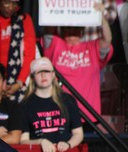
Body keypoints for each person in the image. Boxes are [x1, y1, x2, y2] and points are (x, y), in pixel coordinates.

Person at [42, 2, 113, 131]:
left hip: (88, 116)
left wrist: (102, 17)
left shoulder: (92, 47)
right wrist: (52, 9)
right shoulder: (56, 44)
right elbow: (48, 32)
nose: (71, 31)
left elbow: (107, 40)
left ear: (81, 31)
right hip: (60, 114)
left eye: (75, 28)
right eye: (67, 28)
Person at [20, 57, 84, 152]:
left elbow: (78, 133)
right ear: (32, 77)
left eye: (46, 71)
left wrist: (68, 144)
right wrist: (41, 141)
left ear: (53, 74)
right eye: (39, 72)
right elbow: (23, 141)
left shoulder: (68, 100)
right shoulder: (25, 105)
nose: (43, 75)